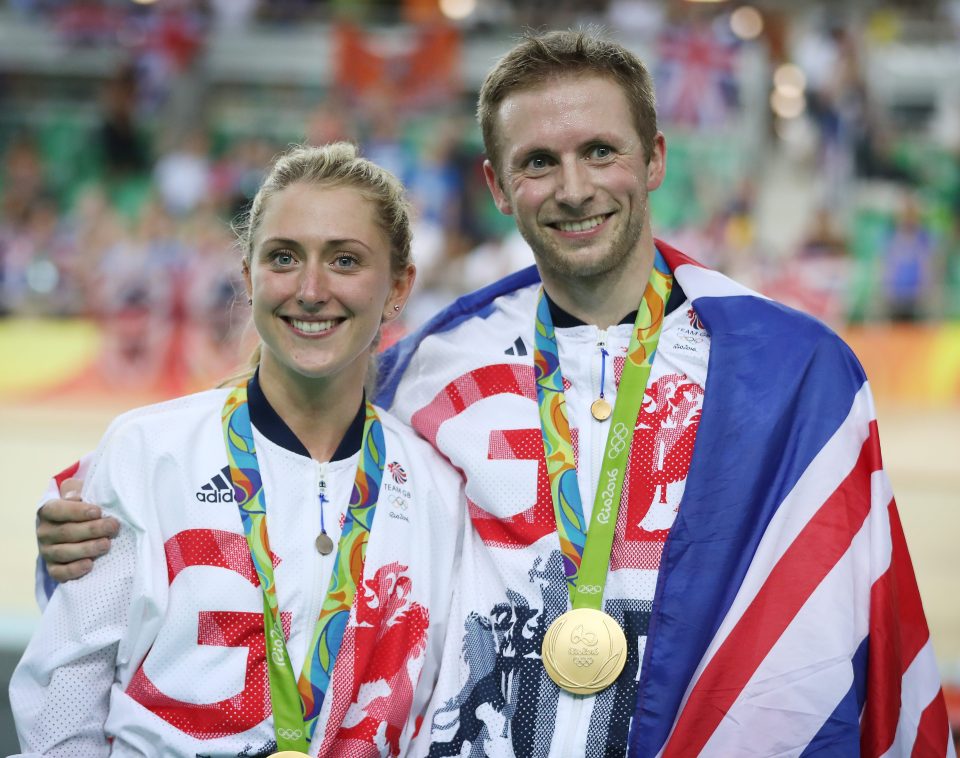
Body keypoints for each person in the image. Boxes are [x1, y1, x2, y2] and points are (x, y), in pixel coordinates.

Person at [31, 30, 954, 757]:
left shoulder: (792, 370)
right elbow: (279, 468)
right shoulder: (437, 361)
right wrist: (80, 533)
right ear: (498, 186)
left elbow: (853, 610)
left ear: (658, 158)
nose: (574, 187)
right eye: (539, 161)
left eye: (600, 151)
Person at [12, 142, 464, 756]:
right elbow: (64, 695)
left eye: (345, 261)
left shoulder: (438, 487)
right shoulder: (147, 452)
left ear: (398, 288)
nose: (310, 289)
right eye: (284, 258)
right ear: (249, 277)